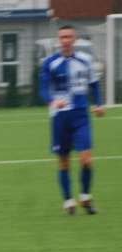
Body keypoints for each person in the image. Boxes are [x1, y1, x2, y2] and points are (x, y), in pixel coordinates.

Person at [39, 25, 104, 215]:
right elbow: (43, 89)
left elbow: (94, 84)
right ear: (59, 40)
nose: (65, 40)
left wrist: (98, 104)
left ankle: (85, 197)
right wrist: (52, 100)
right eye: (62, 37)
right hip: (60, 117)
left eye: (68, 37)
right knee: (64, 161)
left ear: (74, 39)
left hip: (81, 115)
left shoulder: (86, 60)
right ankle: (68, 200)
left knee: (87, 159)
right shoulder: (50, 63)